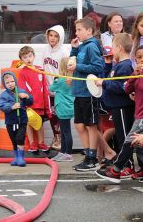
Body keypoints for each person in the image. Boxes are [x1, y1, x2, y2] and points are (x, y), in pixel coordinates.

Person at [95, 46, 143, 183]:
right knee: (139, 145)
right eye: (139, 57)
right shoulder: (138, 73)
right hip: (139, 113)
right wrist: (134, 75)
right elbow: (127, 89)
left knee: (129, 141)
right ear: (135, 59)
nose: (142, 59)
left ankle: (116, 170)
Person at [95, 33, 135, 178]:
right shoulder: (117, 65)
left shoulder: (125, 66)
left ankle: (128, 166)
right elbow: (109, 78)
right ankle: (125, 164)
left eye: (113, 47)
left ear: (119, 47)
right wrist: (107, 65)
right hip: (116, 107)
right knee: (121, 137)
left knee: (125, 138)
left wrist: (104, 83)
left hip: (123, 106)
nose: (112, 50)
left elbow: (122, 87)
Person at [68, 18, 104, 171]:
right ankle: (88, 155)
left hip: (88, 92)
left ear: (89, 31)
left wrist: (78, 66)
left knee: (91, 126)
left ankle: (92, 158)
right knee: (79, 125)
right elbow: (73, 63)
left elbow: (98, 66)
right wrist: (74, 49)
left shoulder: (92, 46)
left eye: (79, 30)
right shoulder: (82, 47)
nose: (76, 33)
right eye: (76, 30)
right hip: (79, 92)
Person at [41, 25, 71, 151]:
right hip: (48, 87)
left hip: (59, 88)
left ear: (60, 37)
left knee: (60, 115)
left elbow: (67, 69)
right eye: (50, 35)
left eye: (56, 36)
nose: (52, 38)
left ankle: (63, 144)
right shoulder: (45, 49)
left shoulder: (64, 51)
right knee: (51, 114)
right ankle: (56, 137)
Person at [17, 46, 51, 153]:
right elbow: (21, 89)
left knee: (39, 123)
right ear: (21, 59)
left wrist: (47, 104)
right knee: (29, 123)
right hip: (29, 105)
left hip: (40, 102)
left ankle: (41, 142)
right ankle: (32, 143)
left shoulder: (40, 70)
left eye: (30, 56)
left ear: (34, 56)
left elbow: (45, 87)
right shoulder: (22, 72)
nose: (28, 59)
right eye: (25, 57)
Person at [0, 72, 33, 167]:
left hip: (22, 120)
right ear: (4, 84)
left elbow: (30, 102)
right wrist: (11, 107)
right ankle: (17, 157)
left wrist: (27, 97)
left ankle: (21, 158)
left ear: (15, 81)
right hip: (10, 121)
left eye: (12, 81)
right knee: (14, 140)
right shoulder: (4, 95)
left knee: (20, 138)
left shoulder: (21, 91)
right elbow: (1, 105)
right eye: (8, 82)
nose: (10, 84)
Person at [49, 58, 75, 162]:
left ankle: (68, 154)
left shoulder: (60, 80)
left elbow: (51, 88)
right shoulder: (72, 79)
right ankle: (63, 152)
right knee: (64, 131)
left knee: (66, 132)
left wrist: (55, 80)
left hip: (62, 108)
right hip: (68, 107)